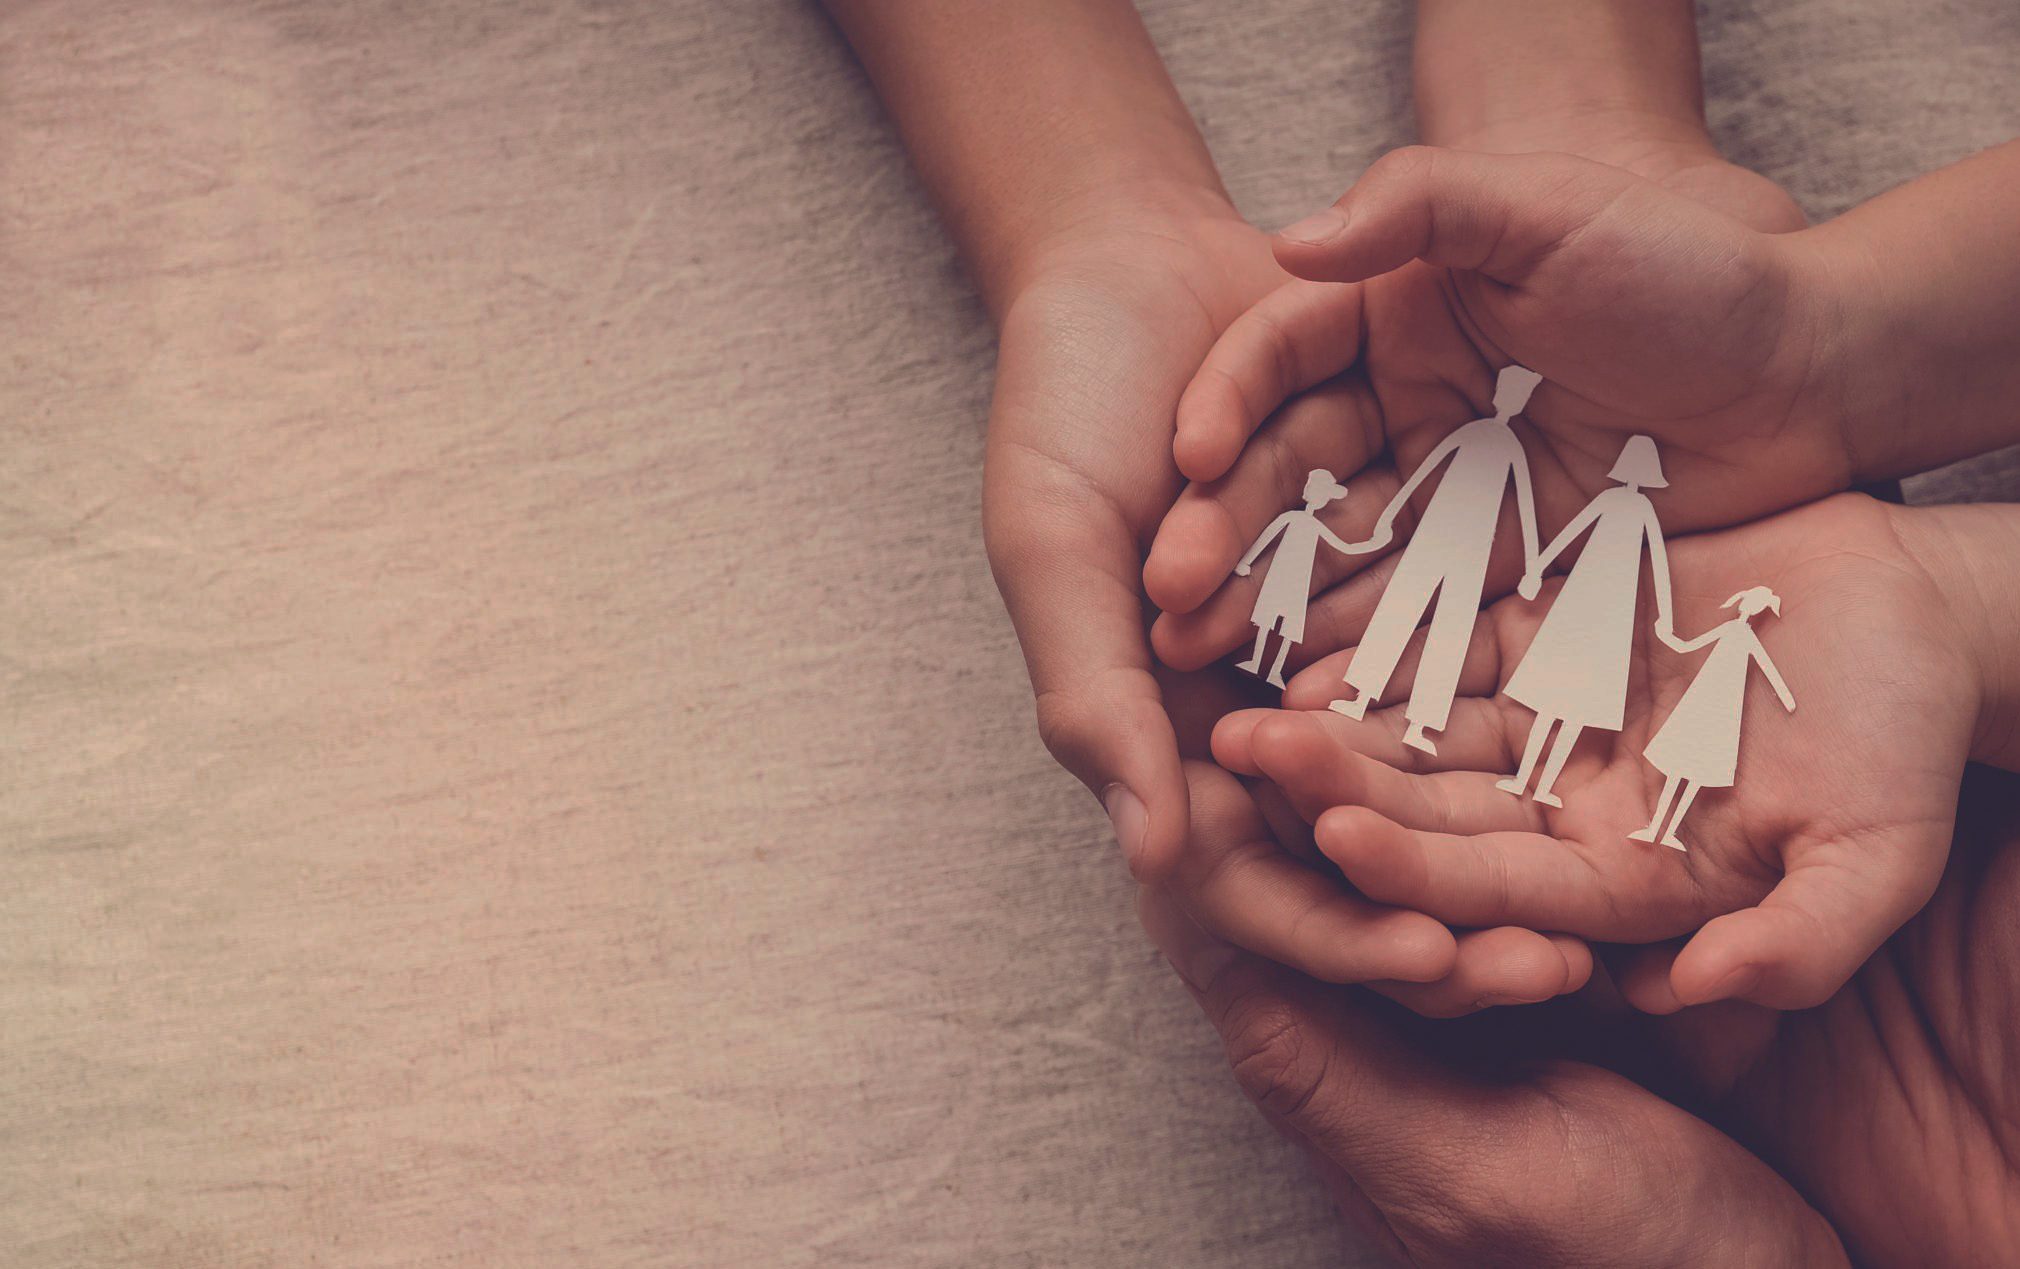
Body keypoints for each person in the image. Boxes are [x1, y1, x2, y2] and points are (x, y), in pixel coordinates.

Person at [1327, 367, 1541, 756]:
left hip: (1473, 547)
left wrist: (1533, 564)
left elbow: (1524, 502)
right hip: (1435, 533)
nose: (1511, 403)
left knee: (1452, 630)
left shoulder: (1511, 445)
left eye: (1519, 398)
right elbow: (1424, 472)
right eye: (1508, 394)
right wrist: (1389, 515)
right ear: (1497, 395)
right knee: (1399, 609)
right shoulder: (1472, 432)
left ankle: (1422, 722)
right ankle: (1361, 696)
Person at [1494, 435, 1674, 808]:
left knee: (1577, 706)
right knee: (1553, 700)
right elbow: (1571, 533)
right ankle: (1524, 777)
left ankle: (1541, 785)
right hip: (1584, 598)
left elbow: (1658, 559)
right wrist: (1538, 569)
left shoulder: (1642, 509)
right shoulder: (1611, 501)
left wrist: (1665, 617)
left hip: (1613, 608)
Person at [1634, 585, 1796, 849]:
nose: (1745, 607)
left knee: (1696, 769)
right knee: (1682, 765)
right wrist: (1667, 636)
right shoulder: (1732, 629)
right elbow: (1689, 646)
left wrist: (1786, 697)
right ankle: (1655, 829)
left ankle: (1668, 832)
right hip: (1705, 697)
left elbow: (1766, 666)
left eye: (1749, 603)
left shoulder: (1744, 635)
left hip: (1723, 704)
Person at [1232, 468, 1370, 688]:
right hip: (1280, 575)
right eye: (1320, 492)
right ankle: (1256, 662)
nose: (1321, 498)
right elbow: (1267, 537)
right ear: (1308, 490)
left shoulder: (1315, 525)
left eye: (1325, 495)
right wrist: (1246, 561)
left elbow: (1345, 547)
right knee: (1267, 620)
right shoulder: (1291, 518)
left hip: (1299, 581)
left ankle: (1275, 671)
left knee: (1289, 626)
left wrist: (1371, 544)